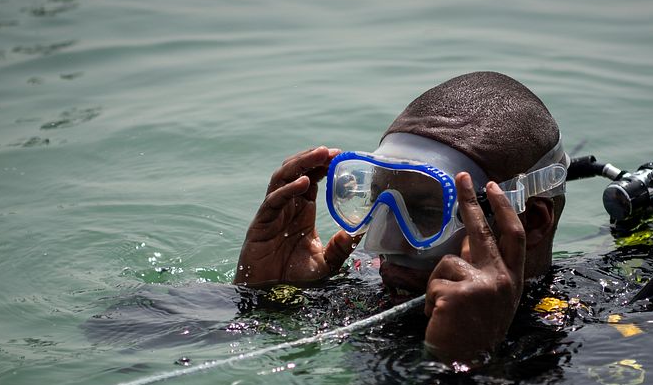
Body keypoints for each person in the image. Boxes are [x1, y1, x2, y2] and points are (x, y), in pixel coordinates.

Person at [234, 71, 567, 364]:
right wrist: (267, 296)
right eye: (377, 199)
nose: (383, 243)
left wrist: (467, 361)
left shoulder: (596, 335)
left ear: (532, 221)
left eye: (428, 212)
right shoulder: (365, 291)